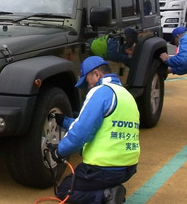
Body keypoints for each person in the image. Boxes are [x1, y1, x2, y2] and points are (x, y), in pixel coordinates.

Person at [51, 56, 140, 204]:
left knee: (65, 191)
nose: (88, 87)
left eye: (87, 81)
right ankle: (110, 189)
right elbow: (100, 125)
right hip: (128, 168)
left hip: (104, 168)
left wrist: (59, 151)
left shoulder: (100, 92)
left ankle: (106, 195)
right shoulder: (126, 95)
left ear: (97, 74)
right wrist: (65, 122)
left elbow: (81, 134)